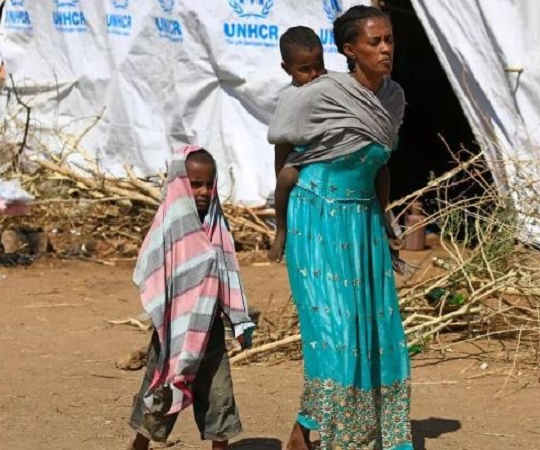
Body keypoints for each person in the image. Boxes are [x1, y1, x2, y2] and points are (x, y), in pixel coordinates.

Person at [267, 6, 412, 450]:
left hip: (363, 223)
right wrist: (282, 222)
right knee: (336, 334)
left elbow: (380, 165)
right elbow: (283, 145)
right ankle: (328, 434)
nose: (385, 49)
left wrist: (385, 221)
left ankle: (308, 433)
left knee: (375, 332)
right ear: (349, 50)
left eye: (389, 40)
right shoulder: (320, 94)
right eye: (374, 41)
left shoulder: (393, 98)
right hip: (318, 218)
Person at [126, 146, 255, 450]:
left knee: (218, 396)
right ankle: (140, 444)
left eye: (209, 184)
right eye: (195, 184)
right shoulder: (169, 226)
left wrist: (238, 318)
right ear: (179, 183)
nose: (204, 192)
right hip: (172, 333)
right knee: (161, 393)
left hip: (210, 331)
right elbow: (150, 268)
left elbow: (228, 272)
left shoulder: (216, 226)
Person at [269, 26, 327, 263]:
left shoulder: (333, 87)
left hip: (333, 153)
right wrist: (281, 173)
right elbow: (281, 143)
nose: (314, 74)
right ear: (287, 69)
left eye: (318, 66)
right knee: (285, 178)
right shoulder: (289, 98)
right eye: (304, 69)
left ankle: (385, 222)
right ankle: (281, 229)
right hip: (301, 156)